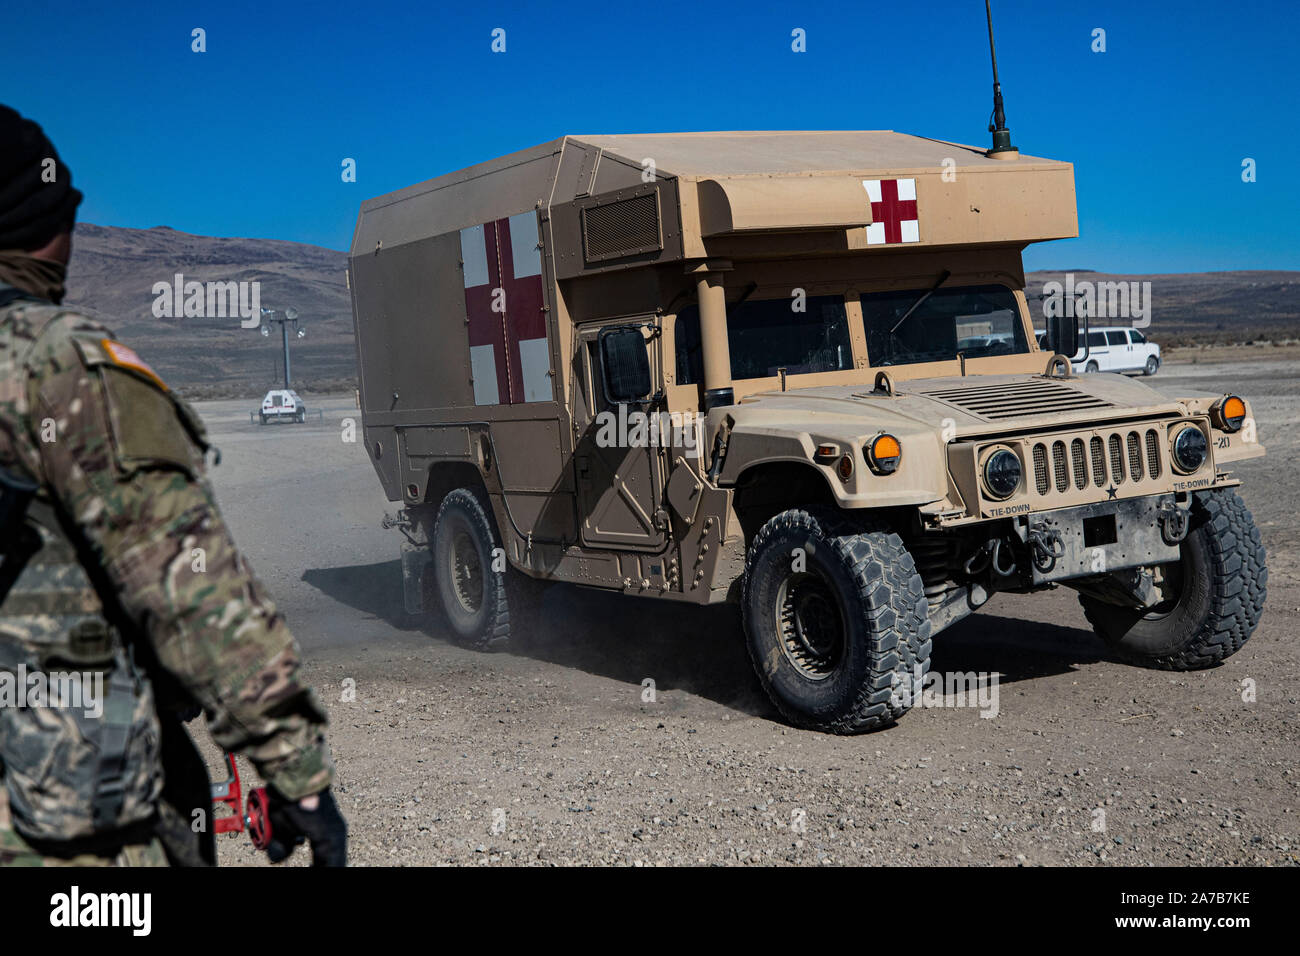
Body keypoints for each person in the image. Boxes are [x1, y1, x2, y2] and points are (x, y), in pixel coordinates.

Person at [0, 104, 346, 866]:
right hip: (68, 810)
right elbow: (188, 586)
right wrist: (297, 774)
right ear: (44, 229)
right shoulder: (61, 368)